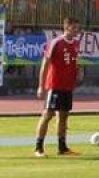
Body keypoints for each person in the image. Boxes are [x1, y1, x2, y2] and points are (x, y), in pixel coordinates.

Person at [34, 17, 83, 158]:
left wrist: (78, 72)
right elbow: (45, 64)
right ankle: (38, 147)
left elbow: (74, 61)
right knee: (47, 115)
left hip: (67, 86)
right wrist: (41, 86)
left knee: (63, 117)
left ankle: (62, 148)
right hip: (54, 85)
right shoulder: (56, 43)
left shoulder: (76, 43)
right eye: (74, 28)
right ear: (66, 28)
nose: (77, 31)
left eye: (77, 28)